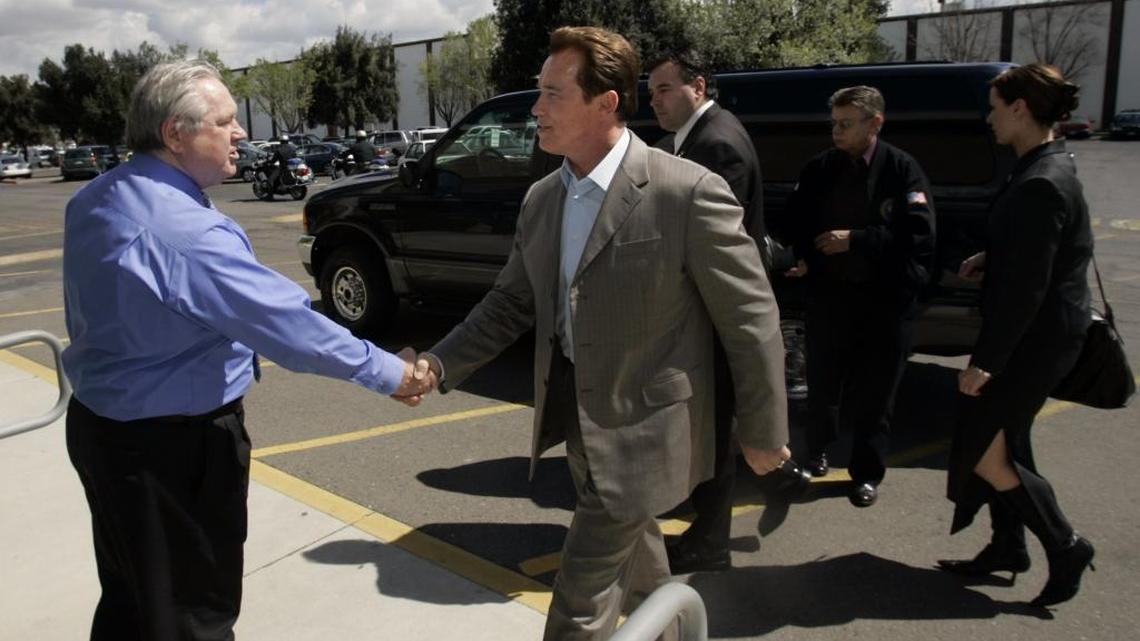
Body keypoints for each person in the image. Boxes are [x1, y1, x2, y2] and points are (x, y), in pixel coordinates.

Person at [413, 27, 790, 641]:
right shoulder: (542, 199)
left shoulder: (686, 191)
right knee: (643, 573)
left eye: (552, 94)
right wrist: (437, 364)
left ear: (606, 102)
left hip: (645, 431)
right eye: (539, 92)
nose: (536, 108)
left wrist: (765, 428)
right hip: (578, 421)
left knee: (578, 608)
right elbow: (510, 303)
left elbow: (749, 317)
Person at [61, 60, 431, 641]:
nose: (241, 133)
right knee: (192, 616)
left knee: (135, 601)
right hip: (174, 449)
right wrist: (392, 373)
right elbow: (286, 326)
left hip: (104, 430)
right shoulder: (185, 233)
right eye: (226, 121)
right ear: (175, 135)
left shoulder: (98, 197)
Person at [937, 64, 1095, 608]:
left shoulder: (1042, 181)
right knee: (1009, 441)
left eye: (994, 107)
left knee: (987, 452)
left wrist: (988, 361)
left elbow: (1029, 289)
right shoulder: (1041, 165)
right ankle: (1008, 548)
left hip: (1036, 339)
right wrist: (994, 255)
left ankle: (1066, 544)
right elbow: (1035, 255)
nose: (989, 117)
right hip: (1040, 331)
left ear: (1020, 109)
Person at [646, 50, 807, 575]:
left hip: (717, 310)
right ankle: (772, 476)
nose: (656, 101)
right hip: (711, 307)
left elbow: (715, 239)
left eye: (664, 90)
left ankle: (710, 541)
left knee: (714, 425)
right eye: (651, 92)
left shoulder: (716, 142)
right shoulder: (703, 134)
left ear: (697, 86)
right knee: (716, 422)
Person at [781, 85, 936, 508]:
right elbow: (796, 222)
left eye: (846, 124)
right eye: (834, 123)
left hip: (885, 305)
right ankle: (816, 454)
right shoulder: (820, 169)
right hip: (832, 299)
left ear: (875, 124)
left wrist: (858, 239)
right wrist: (806, 257)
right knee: (824, 386)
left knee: (876, 395)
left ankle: (866, 474)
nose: (836, 131)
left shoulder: (901, 170)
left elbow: (919, 235)